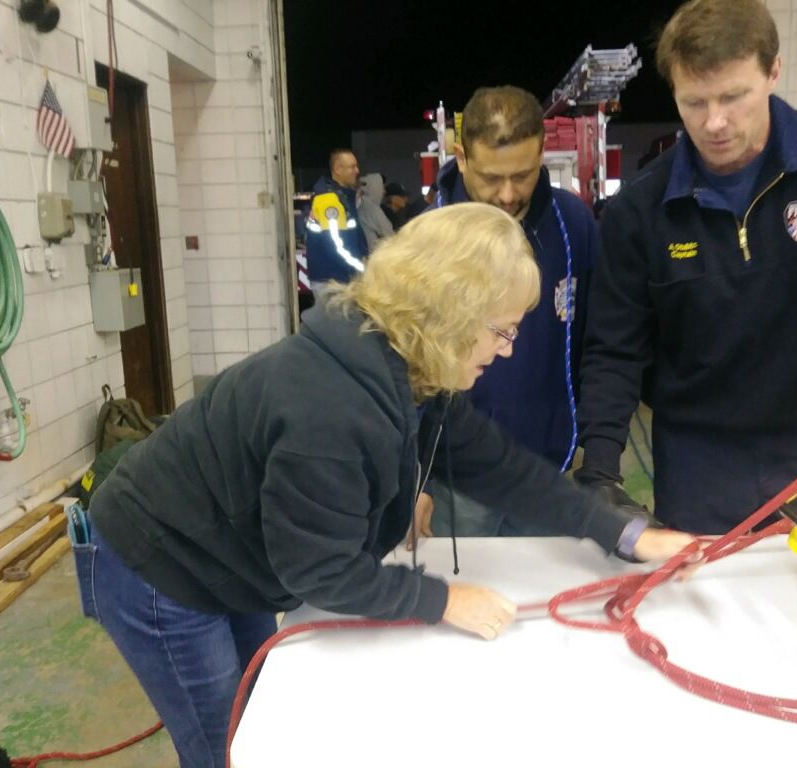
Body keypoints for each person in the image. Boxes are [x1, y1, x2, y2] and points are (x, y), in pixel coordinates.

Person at [75, 204, 700, 768]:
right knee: (228, 749)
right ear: (451, 312)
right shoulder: (332, 408)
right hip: (157, 563)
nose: (507, 351)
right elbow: (318, 572)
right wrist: (443, 601)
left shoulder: (403, 366)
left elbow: (503, 469)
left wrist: (624, 532)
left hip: (221, 546)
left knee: (261, 711)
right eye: (502, 329)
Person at [575, 0, 797, 534]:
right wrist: (600, 466)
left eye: (733, 97)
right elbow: (614, 347)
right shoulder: (641, 210)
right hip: (698, 459)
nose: (714, 122)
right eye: (694, 102)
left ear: (773, 72)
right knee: (701, 603)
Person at [420, 85, 600, 537]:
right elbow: (403, 370)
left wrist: (594, 449)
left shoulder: (573, 225)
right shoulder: (426, 239)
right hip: (457, 482)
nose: (506, 194)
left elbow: (598, 343)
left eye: (522, 175)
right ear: (460, 157)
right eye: (490, 177)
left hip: (548, 470)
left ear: (542, 154)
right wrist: (415, 474)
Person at [305, 148, 369, 285]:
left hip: (338, 277)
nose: (357, 171)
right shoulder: (329, 201)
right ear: (338, 169)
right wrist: (364, 270)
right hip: (334, 280)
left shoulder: (342, 197)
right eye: (352, 167)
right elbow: (336, 246)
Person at [357, 172, 395, 250]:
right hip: (373, 253)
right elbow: (388, 233)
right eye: (382, 188)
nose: (384, 192)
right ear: (375, 188)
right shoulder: (372, 208)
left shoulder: (359, 204)